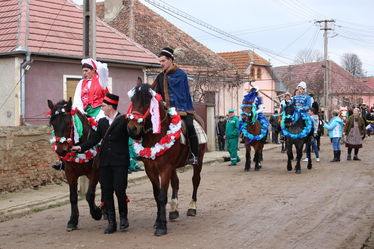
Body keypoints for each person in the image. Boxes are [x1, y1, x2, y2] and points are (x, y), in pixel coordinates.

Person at [72, 93, 130, 234]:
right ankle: (111, 222)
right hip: (105, 162)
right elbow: (94, 140)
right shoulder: (103, 122)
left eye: (103, 105)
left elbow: (134, 135)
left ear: (110, 106)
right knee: (107, 191)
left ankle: (123, 218)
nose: (101, 108)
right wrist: (79, 147)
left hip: (120, 162)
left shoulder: (124, 120)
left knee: (120, 190)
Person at [51, 58, 109, 171]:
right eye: (83, 71)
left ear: (93, 70)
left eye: (87, 70)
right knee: (70, 127)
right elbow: (77, 98)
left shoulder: (101, 81)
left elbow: (103, 70)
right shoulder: (81, 83)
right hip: (84, 110)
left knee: (102, 126)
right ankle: (63, 160)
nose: (84, 73)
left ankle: (105, 152)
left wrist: (94, 63)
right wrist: (80, 111)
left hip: (99, 109)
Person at [151, 47, 198, 165]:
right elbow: (156, 93)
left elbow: (182, 94)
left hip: (182, 109)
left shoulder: (181, 74)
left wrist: (174, 107)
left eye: (163, 61)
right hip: (166, 110)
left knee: (189, 125)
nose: (161, 64)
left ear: (171, 60)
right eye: (160, 61)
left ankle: (194, 154)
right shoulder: (160, 77)